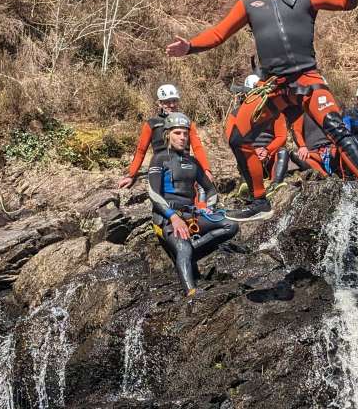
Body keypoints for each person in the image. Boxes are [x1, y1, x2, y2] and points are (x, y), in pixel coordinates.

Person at [165, 0, 358, 221]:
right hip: (274, 87)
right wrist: (189, 46)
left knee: (334, 126)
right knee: (238, 136)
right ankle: (260, 200)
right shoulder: (251, 4)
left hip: (307, 79)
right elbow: (218, 34)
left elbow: (348, 1)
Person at [146, 113, 238, 297]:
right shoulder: (159, 159)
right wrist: (173, 217)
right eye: (177, 133)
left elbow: (211, 190)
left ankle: (188, 253)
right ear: (167, 135)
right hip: (164, 218)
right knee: (183, 247)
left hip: (191, 214)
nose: (182, 137)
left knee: (231, 224)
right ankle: (191, 294)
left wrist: (207, 207)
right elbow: (153, 194)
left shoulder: (192, 162)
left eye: (185, 134)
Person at [119, 84, 213, 190]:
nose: (172, 105)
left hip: (184, 166)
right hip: (161, 167)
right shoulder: (152, 124)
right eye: (167, 102)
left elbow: (197, 148)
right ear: (160, 103)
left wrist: (206, 170)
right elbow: (141, 150)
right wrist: (131, 175)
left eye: (174, 101)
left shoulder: (187, 122)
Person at [225, 74, 291, 188]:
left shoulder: (275, 112)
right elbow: (232, 140)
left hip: (270, 156)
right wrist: (252, 151)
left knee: (282, 152)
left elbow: (282, 136)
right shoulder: (235, 114)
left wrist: (267, 150)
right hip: (248, 154)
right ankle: (247, 186)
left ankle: (276, 184)